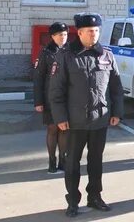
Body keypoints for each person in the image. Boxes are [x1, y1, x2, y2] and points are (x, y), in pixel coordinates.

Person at [49, 13, 124, 218]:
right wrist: (60, 118)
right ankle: (73, 200)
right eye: (90, 31)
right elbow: (56, 91)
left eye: (97, 31)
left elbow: (116, 88)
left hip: (100, 119)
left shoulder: (106, 55)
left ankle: (95, 196)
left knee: (96, 161)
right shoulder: (66, 56)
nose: (94, 35)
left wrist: (117, 112)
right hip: (74, 122)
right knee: (72, 163)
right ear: (79, 32)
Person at [33, 22, 70, 173]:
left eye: (65, 34)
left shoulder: (70, 50)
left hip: (67, 98)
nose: (63, 37)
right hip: (50, 98)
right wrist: (39, 101)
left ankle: (63, 160)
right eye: (60, 35)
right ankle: (51, 161)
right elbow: (38, 78)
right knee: (53, 129)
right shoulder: (46, 53)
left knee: (65, 130)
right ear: (53, 36)